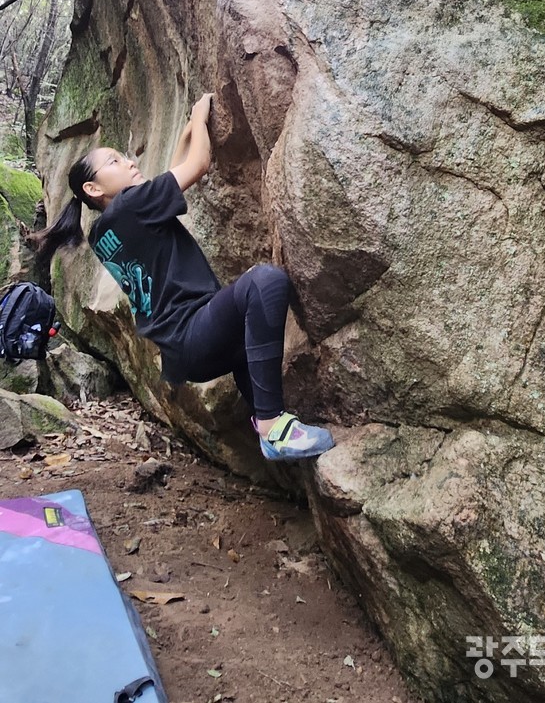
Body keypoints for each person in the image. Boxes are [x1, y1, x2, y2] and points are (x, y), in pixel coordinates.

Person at [32, 94, 334, 462]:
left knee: (245, 335)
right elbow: (199, 164)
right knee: (264, 282)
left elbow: (169, 176)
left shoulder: (104, 233)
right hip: (194, 331)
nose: (129, 162)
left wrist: (186, 131)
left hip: (187, 352)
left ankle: (265, 418)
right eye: (114, 161)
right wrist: (201, 117)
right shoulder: (132, 205)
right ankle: (272, 427)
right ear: (94, 190)